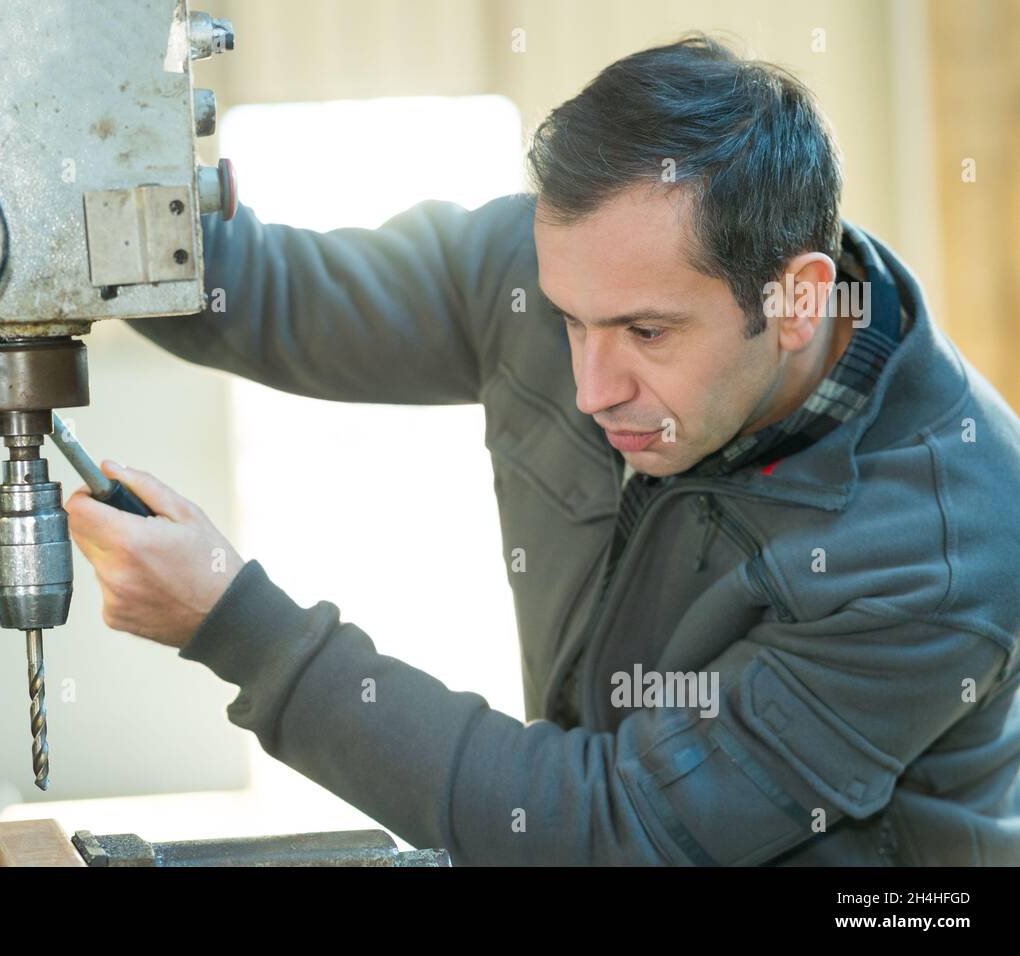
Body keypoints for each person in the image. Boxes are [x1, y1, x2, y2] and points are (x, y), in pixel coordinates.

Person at [64, 34, 1020, 865]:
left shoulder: (944, 551)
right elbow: (263, 294)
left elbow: (612, 832)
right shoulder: (563, 272)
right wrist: (75, 217)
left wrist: (240, 627)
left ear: (801, 299)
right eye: (569, 321)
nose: (591, 388)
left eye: (648, 334)